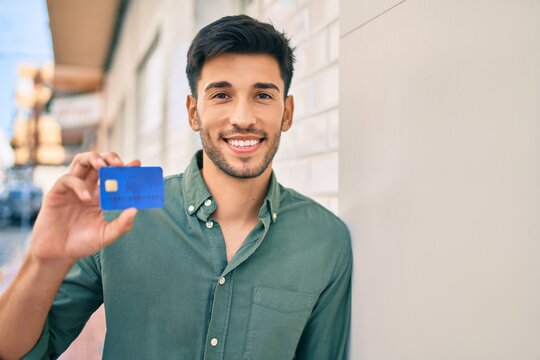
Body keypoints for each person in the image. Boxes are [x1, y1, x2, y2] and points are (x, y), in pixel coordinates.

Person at [0, 15, 352, 359]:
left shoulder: (325, 240)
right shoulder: (120, 214)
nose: (243, 117)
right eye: (221, 95)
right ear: (193, 111)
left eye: (262, 95)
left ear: (286, 112)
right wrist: (44, 261)